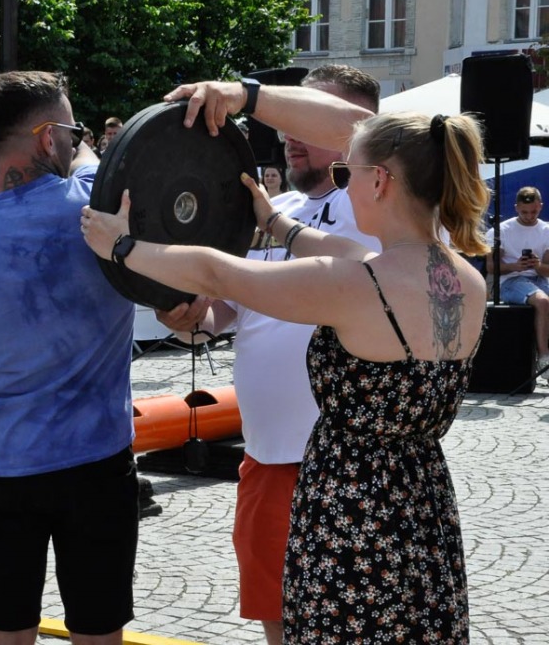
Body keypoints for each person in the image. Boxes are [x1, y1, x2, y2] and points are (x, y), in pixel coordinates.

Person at [82, 81, 488, 642]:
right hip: (421, 500)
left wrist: (123, 247)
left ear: (379, 181)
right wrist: (273, 223)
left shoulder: (355, 285)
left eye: (348, 174)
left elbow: (219, 273)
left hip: (350, 508)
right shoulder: (461, 277)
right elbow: (339, 250)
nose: (343, 185)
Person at [148, 65, 382, 645]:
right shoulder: (269, 208)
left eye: (305, 115)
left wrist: (248, 96)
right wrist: (185, 319)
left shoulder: (383, 211)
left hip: (347, 467)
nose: (288, 132)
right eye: (285, 116)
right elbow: (221, 317)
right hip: (264, 459)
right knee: (277, 618)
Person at [0, 63, 137, 645]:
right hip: (97, 460)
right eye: (70, 129)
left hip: (2, 467)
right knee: (99, 631)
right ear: (48, 139)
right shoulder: (96, 207)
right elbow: (91, 158)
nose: (75, 138)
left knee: (7, 630)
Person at [487, 186, 549, 374]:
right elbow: (491, 268)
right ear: (516, 208)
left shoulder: (546, 230)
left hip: (538, 278)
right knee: (543, 301)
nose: (529, 216)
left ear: (540, 206)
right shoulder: (501, 230)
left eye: (534, 212)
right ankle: (544, 357)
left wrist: (537, 265)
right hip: (510, 280)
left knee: (542, 299)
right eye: (524, 212)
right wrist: (516, 266)